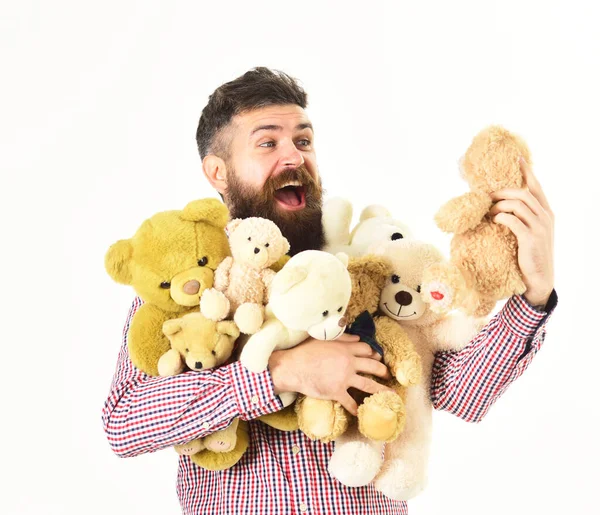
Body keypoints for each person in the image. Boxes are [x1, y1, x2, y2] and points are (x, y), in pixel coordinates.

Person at [102, 67, 557, 515]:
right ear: (218, 172)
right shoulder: (186, 282)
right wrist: (277, 372)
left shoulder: (368, 265)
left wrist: (534, 293)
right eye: (268, 143)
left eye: (303, 140)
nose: (295, 156)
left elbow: (462, 394)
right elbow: (124, 422)